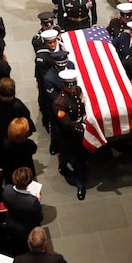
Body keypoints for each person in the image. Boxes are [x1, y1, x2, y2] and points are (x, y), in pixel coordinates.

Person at [53, 69, 88, 200]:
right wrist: (82, 128)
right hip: (66, 135)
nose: (72, 88)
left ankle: (66, 166)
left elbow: (81, 106)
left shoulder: (78, 91)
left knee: (78, 158)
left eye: (73, 84)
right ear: (64, 86)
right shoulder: (59, 103)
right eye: (69, 86)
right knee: (70, 156)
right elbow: (67, 124)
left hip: (78, 129)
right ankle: (80, 184)